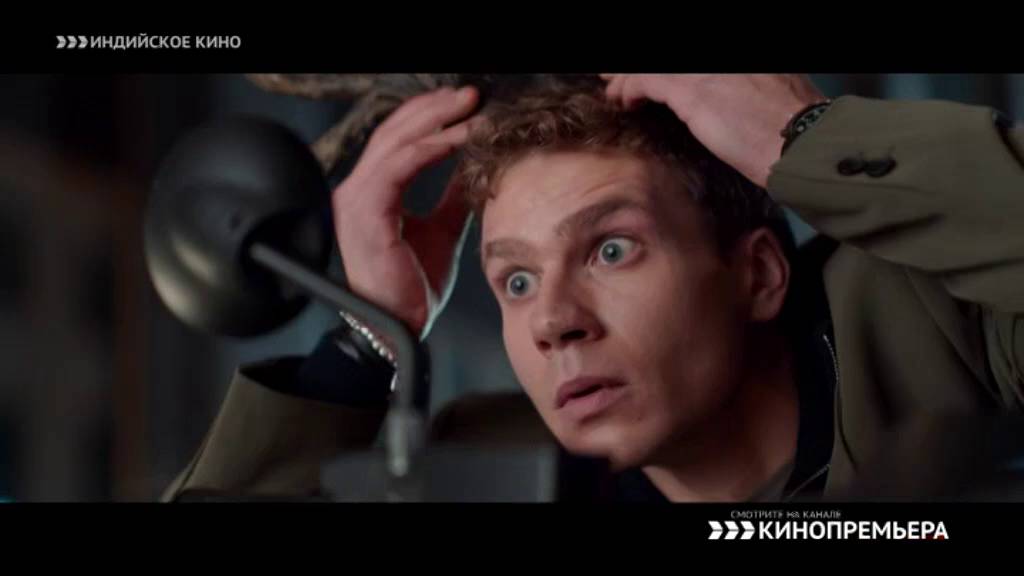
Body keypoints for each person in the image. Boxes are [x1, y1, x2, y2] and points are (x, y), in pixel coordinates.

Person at [162, 74, 1024, 502]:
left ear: (758, 274)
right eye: (517, 278)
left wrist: (807, 136)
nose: (552, 322)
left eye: (611, 250)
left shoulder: (943, 322)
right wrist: (370, 339)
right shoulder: (479, 472)